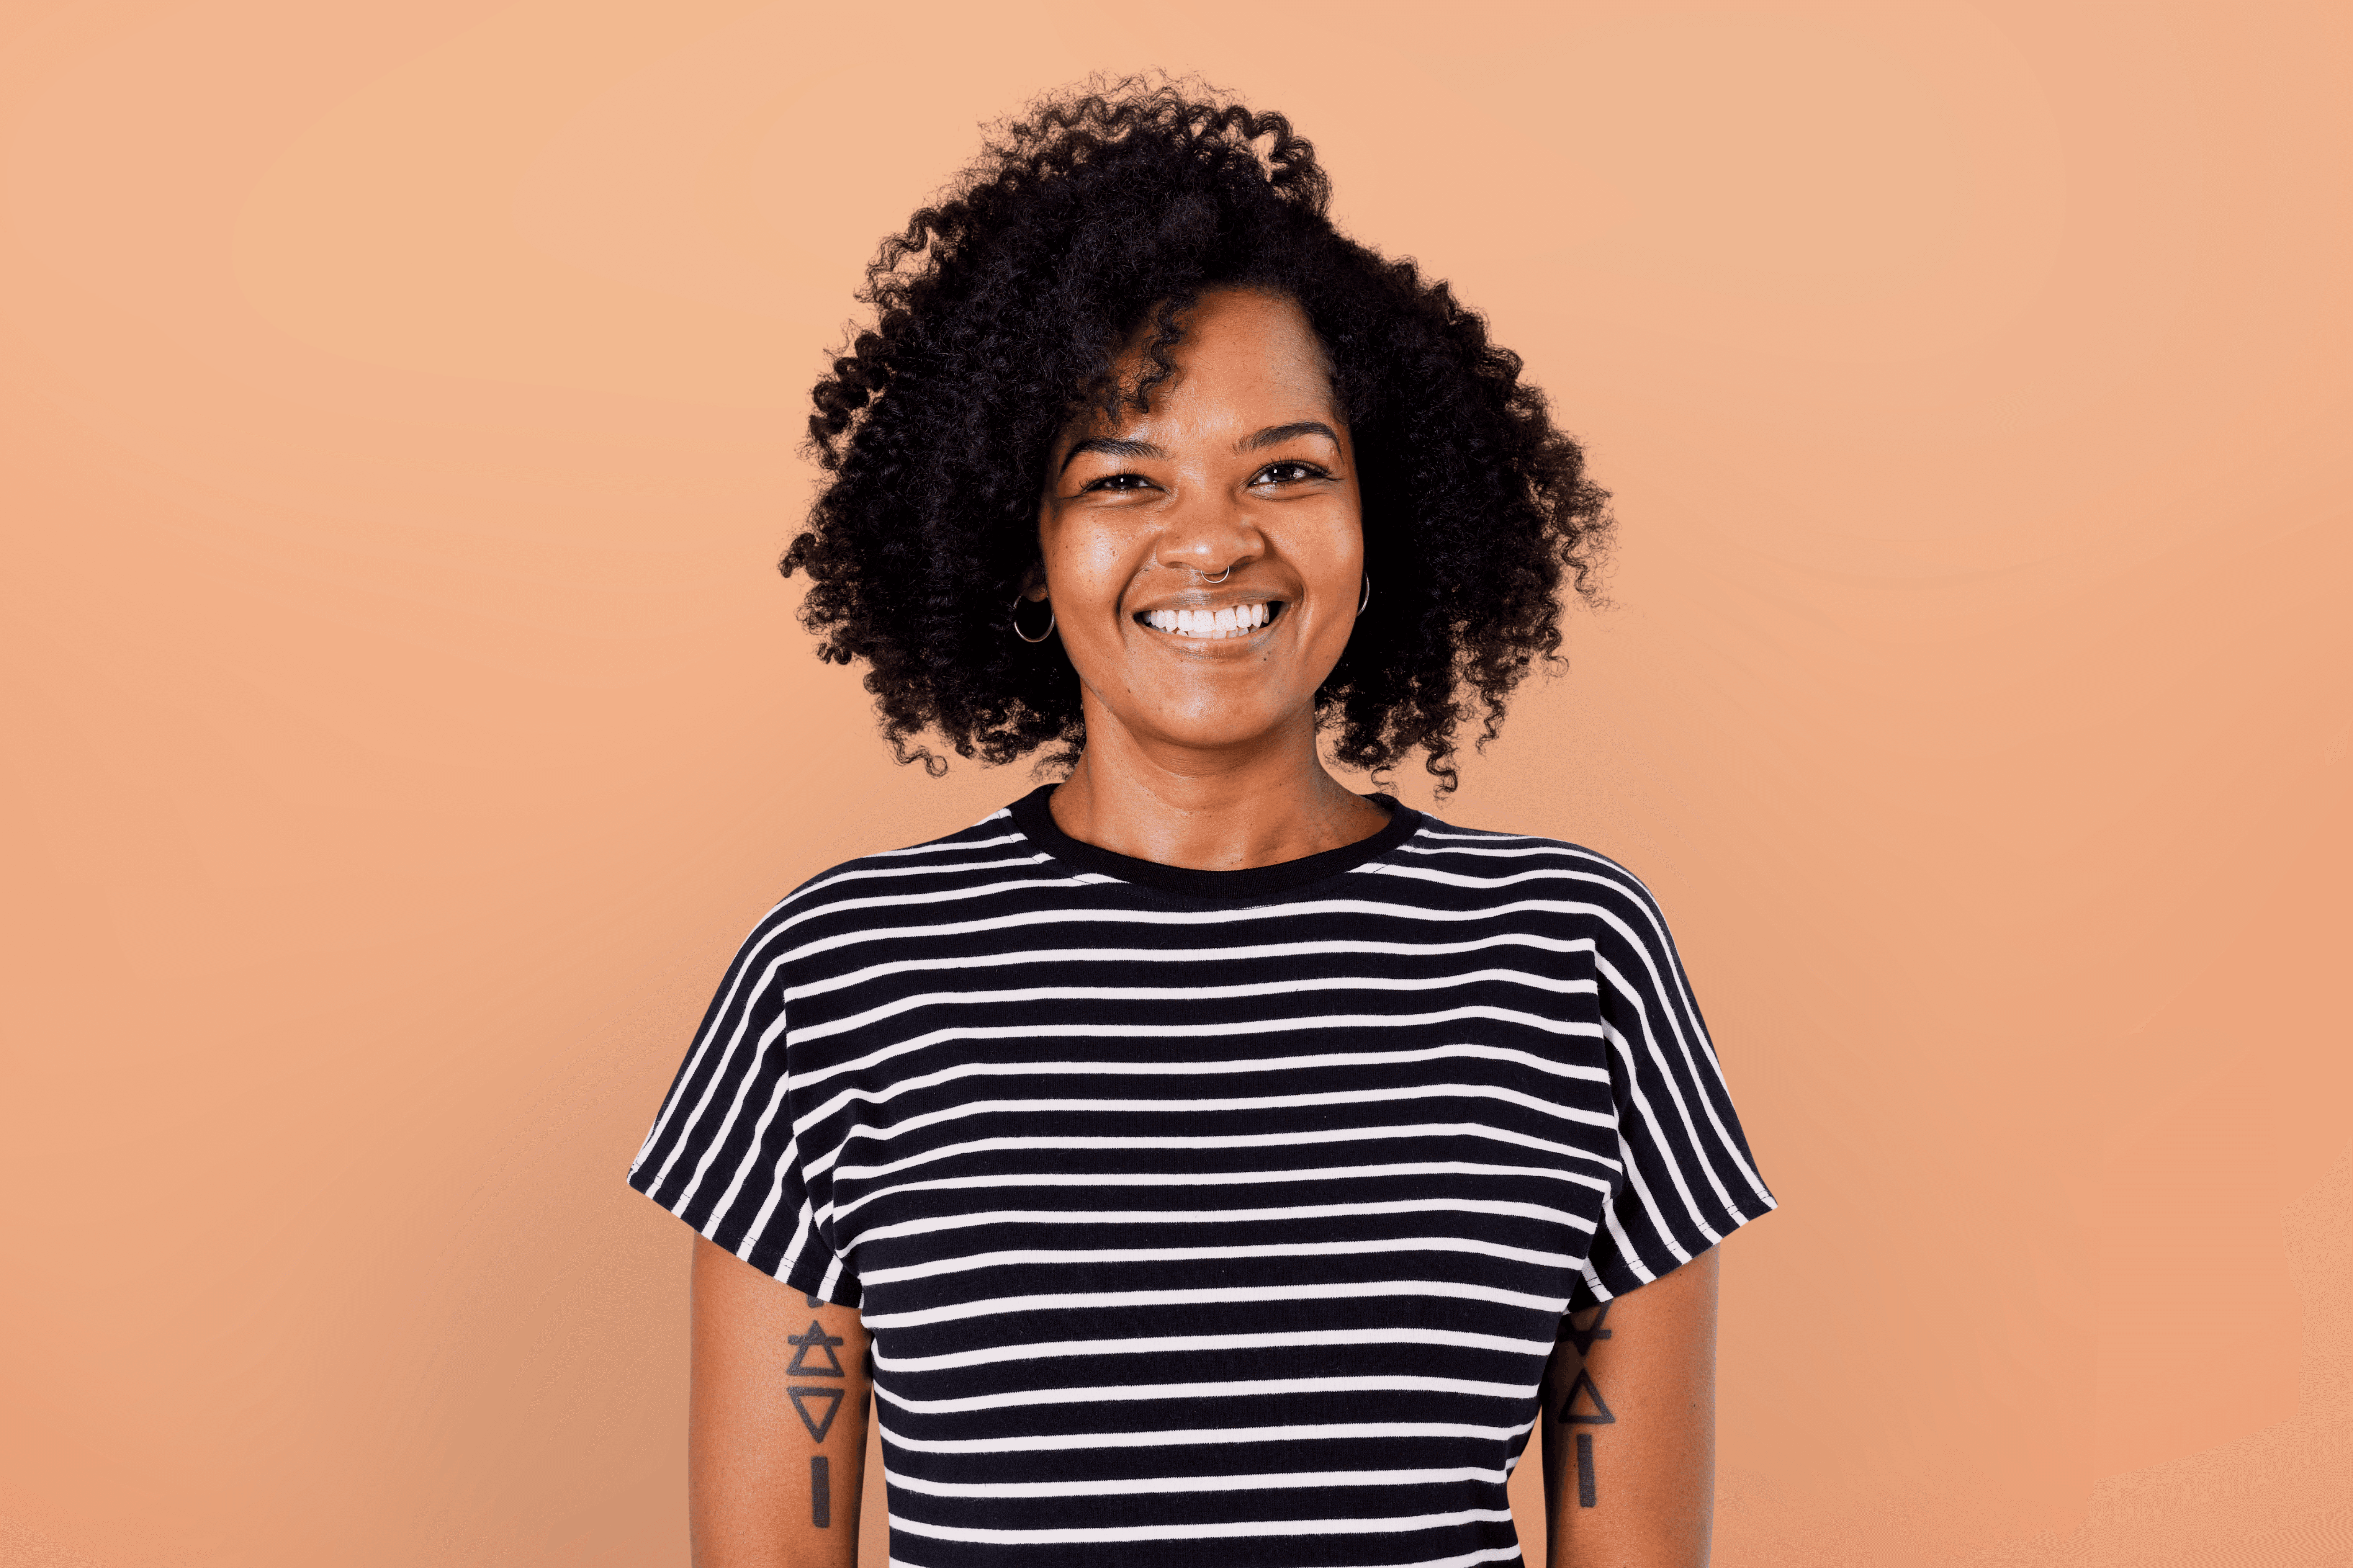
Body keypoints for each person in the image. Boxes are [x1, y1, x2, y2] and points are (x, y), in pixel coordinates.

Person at [628, 78, 1773, 1568]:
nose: (1215, 537)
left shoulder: (1573, 966)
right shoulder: (837, 986)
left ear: (1388, 517)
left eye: (1287, 469)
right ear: (1023, 549)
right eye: (1122, 479)